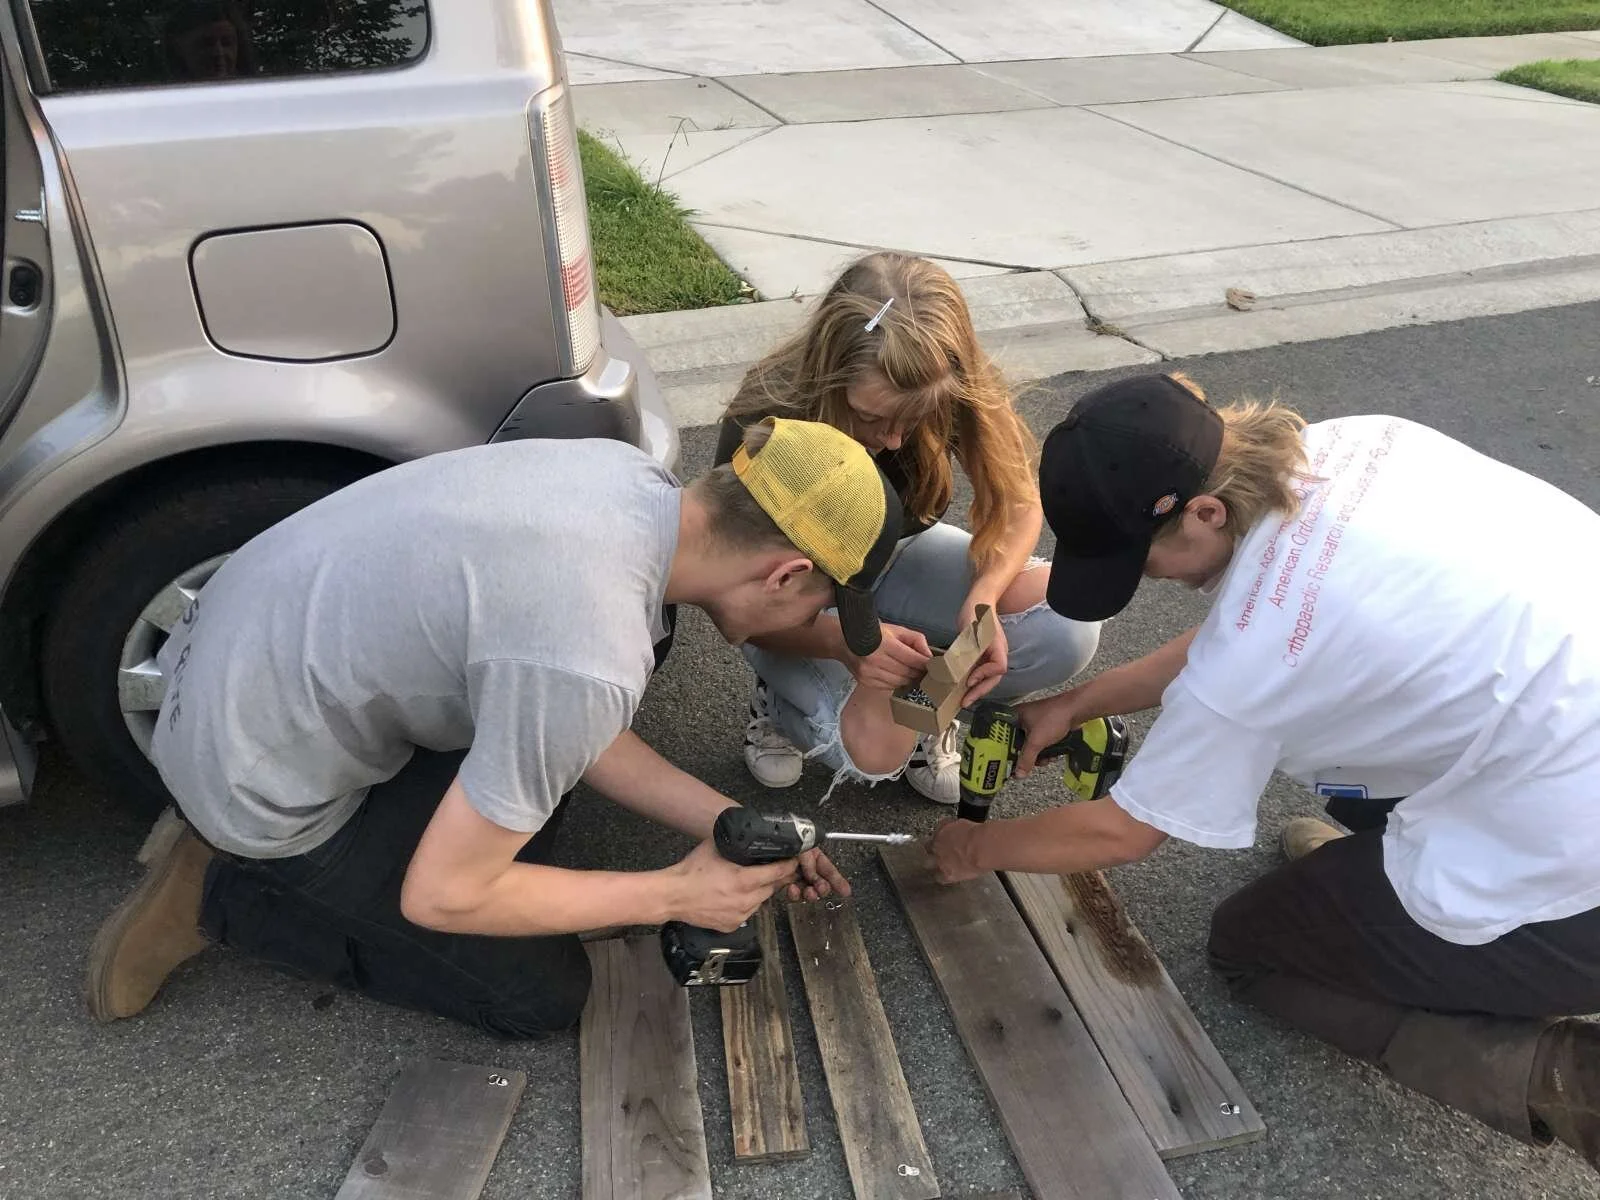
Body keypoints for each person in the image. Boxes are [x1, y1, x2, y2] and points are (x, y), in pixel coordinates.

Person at [926, 371, 1600, 1168]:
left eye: (1143, 561)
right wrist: (1078, 704)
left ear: (1205, 513)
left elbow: (1124, 830)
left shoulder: (1255, 648)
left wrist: (972, 850)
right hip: (1552, 735)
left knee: (1250, 947)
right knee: (1369, 754)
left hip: (1576, 880)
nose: (1150, 581)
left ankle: (1565, 1077)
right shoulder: (1354, 441)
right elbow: (1258, 629)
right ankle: (1375, 886)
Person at [86, 417, 904, 1037]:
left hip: (233, 672)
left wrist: (727, 823)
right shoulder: (589, 648)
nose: (817, 618)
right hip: (252, 776)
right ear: (789, 571)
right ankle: (219, 893)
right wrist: (674, 894)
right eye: (824, 603)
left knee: (542, 789)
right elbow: (446, 894)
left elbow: (571, 717)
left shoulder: (623, 481)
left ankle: (263, 839)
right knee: (539, 997)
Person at [714, 251, 1102, 805]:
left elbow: (1020, 504)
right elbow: (734, 605)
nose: (894, 440)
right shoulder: (767, 419)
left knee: (1068, 625)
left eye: (913, 420)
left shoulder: (945, 383)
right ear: (831, 374)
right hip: (792, 598)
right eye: (871, 418)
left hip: (891, 561)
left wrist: (984, 598)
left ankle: (926, 711)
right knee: (869, 754)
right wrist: (845, 645)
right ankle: (780, 701)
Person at [163, 1, 255, 80]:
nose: (219, 52)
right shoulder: (160, 94)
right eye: (207, 44)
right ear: (179, 48)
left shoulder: (256, 94)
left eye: (227, 43)